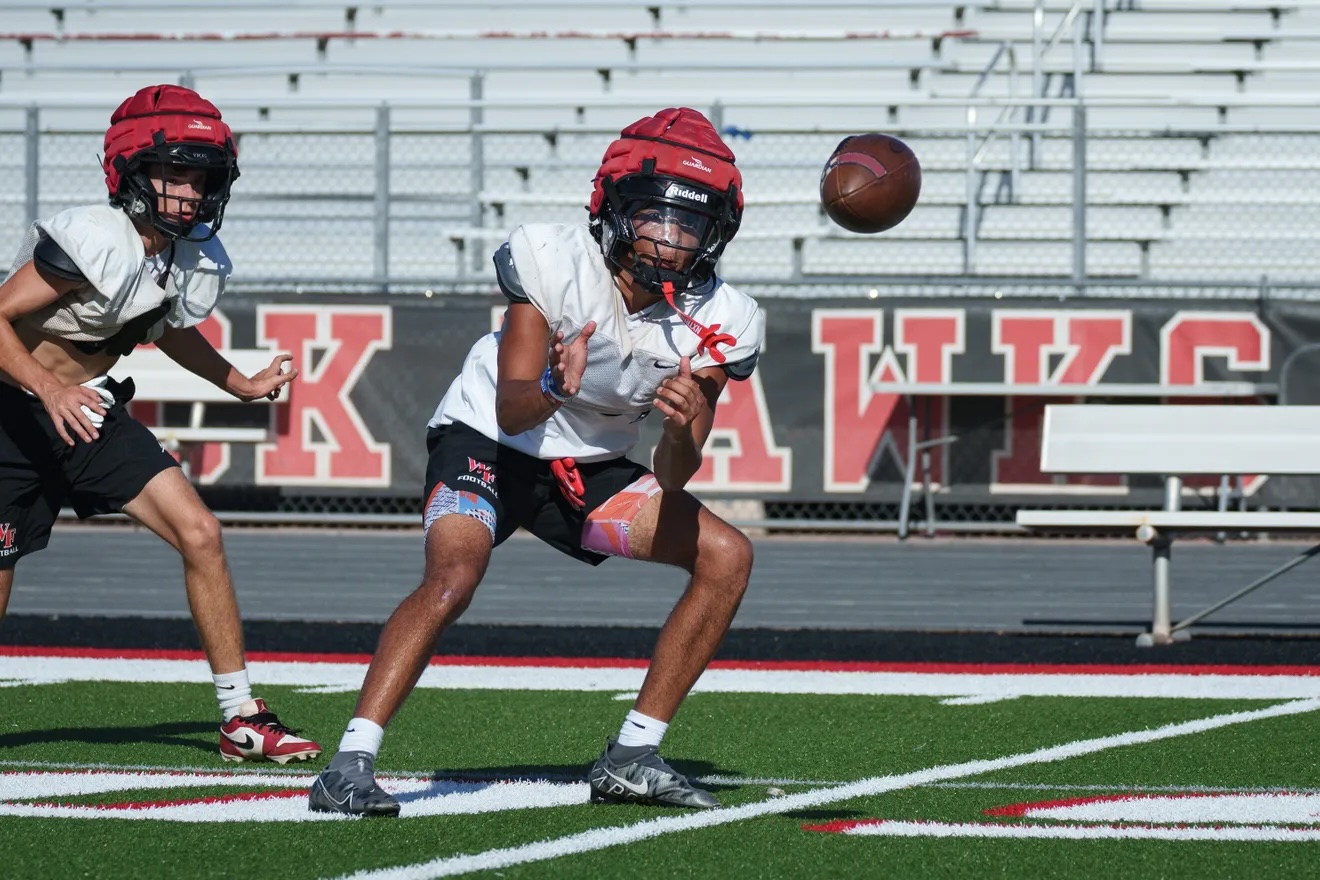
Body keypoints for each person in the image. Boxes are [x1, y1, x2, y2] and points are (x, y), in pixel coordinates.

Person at [310, 107, 763, 815]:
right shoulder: (553, 258)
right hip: (489, 441)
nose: (669, 240)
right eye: (654, 216)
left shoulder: (723, 316)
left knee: (727, 556)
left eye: (689, 224)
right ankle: (349, 763)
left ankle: (632, 755)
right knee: (453, 578)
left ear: (716, 233)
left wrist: (680, 425)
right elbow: (513, 408)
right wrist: (556, 385)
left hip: (589, 468)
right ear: (613, 208)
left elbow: (676, 475)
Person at [0, 84, 321, 764]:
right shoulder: (94, 237)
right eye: (176, 173)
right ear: (132, 171)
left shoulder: (187, 254)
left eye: (202, 177)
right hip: (10, 410)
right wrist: (47, 387)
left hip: (86, 407)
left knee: (200, 531)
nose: (191, 192)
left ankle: (241, 717)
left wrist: (238, 382)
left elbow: (166, 325)